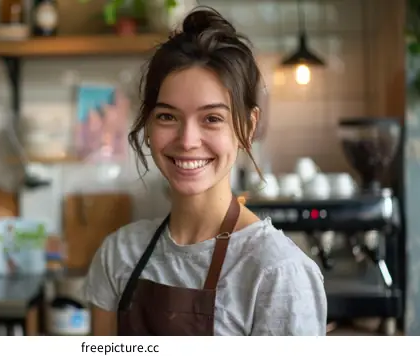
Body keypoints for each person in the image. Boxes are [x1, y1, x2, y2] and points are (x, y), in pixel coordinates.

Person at [83, 7, 327, 336]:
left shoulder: (278, 273)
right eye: (167, 116)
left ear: (248, 126)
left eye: (211, 118)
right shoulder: (119, 254)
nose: (187, 141)